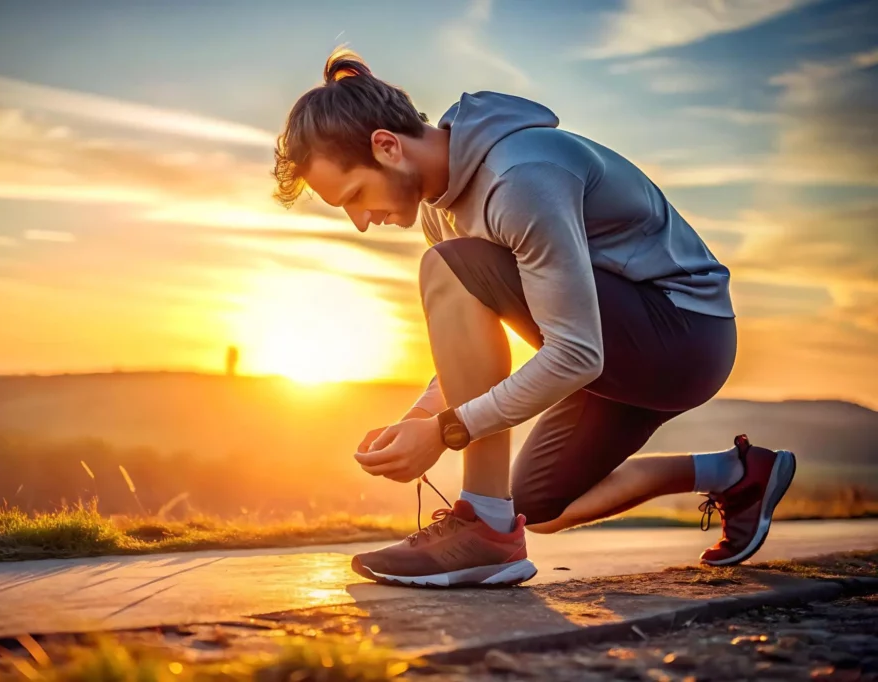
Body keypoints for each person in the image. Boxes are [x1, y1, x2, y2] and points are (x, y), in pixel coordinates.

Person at [271, 48, 797, 588]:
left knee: (447, 269)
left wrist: (446, 430)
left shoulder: (520, 176)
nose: (361, 221)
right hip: (615, 349)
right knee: (533, 505)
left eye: (356, 195)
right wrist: (421, 416)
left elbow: (576, 354)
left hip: (683, 334)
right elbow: (474, 343)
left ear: (387, 146)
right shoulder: (439, 211)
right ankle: (736, 473)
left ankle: (483, 532)